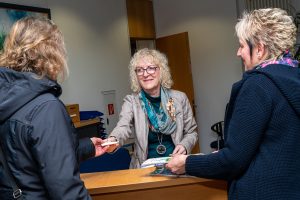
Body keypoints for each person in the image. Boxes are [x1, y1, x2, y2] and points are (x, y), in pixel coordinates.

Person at [166, 8, 300, 199]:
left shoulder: (258, 85)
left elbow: (233, 161)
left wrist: (186, 163)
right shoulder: (294, 78)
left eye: (242, 46)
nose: (238, 53)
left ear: (260, 49)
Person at [0, 17, 109, 199]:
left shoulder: (8, 98)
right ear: (52, 51)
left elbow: (23, 158)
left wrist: (88, 147)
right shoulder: (46, 107)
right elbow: (67, 191)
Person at [106, 48, 198, 168]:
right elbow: (123, 126)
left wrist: (185, 146)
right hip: (144, 168)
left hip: (176, 165)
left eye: (151, 68)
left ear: (161, 71)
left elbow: (191, 132)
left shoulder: (179, 98)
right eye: (140, 70)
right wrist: (113, 140)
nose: (145, 74)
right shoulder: (132, 101)